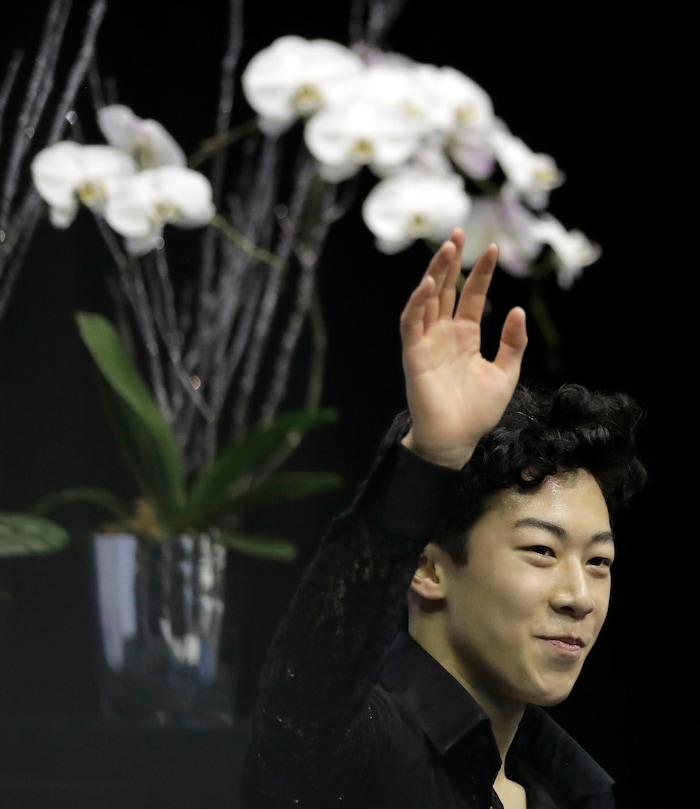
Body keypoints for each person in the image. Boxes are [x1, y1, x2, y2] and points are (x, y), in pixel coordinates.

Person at [240, 228, 647, 809]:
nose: (579, 596)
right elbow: (310, 679)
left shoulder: (566, 788)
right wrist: (430, 459)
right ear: (427, 567)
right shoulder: (358, 749)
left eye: (600, 561)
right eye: (541, 551)